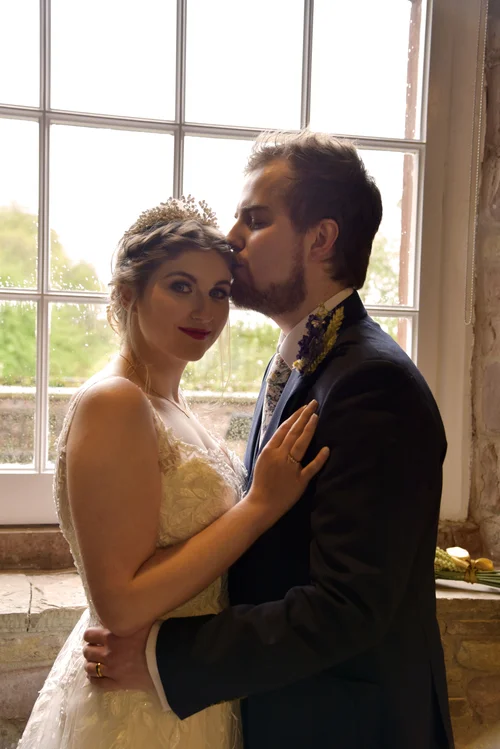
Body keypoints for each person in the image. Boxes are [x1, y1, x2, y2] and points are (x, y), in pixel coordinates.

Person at [83, 132, 455, 749]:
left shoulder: (372, 384)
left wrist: (163, 657)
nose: (231, 238)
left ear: (320, 239)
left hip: (347, 727)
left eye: (254, 220)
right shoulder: (303, 359)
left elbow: (348, 606)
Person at [17, 197, 329, 749]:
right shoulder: (115, 403)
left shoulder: (173, 406)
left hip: (185, 688)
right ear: (128, 294)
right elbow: (120, 606)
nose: (204, 311)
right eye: (180, 287)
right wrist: (260, 505)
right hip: (134, 706)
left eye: (219, 292)